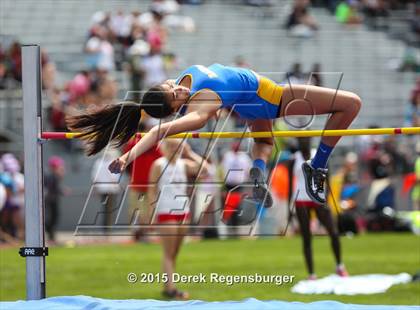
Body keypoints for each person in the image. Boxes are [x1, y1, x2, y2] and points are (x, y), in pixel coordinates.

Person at [66, 63, 362, 207]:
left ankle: (258, 172)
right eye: (177, 99)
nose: (180, 91)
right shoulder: (199, 107)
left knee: (263, 143)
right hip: (270, 97)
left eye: (174, 89)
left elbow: (159, 105)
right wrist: (128, 155)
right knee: (350, 104)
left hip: (247, 102)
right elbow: (158, 130)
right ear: (177, 109)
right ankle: (318, 165)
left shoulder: (179, 80)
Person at [148, 139, 208, 299]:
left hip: (183, 211)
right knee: (168, 252)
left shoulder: (184, 164)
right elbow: (152, 190)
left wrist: (190, 152)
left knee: (175, 252)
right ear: (164, 147)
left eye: (178, 146)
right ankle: (170, 289)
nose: (175, 149)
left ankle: (168, 284)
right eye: (172, 145)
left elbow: (206, 170)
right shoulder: (159, 164)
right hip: (166, 211)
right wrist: (151, 213)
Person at [293, 137, 348, 279]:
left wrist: (326, 198)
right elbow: (289, 184)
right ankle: (311, 274)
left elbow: (327, 177)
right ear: (298, 142)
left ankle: (340, 266)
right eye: (301, 141)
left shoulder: (319, 155)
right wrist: (289, 205)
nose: (303, 142)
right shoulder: (295, 159)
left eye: (306, 140)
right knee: (306, 238)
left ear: (310, 141)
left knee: (334, 232)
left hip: (318, 199)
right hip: (301, 200)